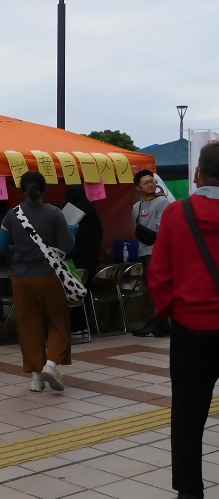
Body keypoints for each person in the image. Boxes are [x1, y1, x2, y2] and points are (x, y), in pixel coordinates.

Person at [148, 142, 219, 499]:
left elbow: (159, 273)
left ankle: (190, 491)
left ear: (197, 173)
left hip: (191, 328)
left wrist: (171, 312)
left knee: (188, 414)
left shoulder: (177, 213)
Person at [0, 171, 75, 393]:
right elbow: (67, 247)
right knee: (58, 322)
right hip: (49, 276)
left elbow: (0, 248)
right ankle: (50, 365)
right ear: (44, 189)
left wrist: (19, 250)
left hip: (21, 279)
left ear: (21, 190)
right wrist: (72, 233)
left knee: (29, 326)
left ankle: (35, 378)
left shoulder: (11, 215)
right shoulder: (55, 213)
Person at [131, 169, 170, 337]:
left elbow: (162, 227)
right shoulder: (136, 207)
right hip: (144, 250)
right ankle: (160, 323)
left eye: (152, 181)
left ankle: (156, 321)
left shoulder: (162, 201)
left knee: (155, 287)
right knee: (148, 286)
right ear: (138, 187)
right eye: (145, 182)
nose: (150, 185)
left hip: (157, 251)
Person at [63, 185, 103, 333]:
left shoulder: (69, 213)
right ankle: (86, 325)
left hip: (75, 260)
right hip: (91, 260)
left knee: (74, 293)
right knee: (85, 293)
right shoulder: (92, 211)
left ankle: (76, 326)